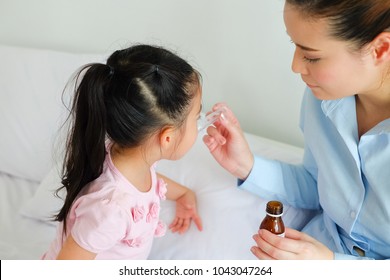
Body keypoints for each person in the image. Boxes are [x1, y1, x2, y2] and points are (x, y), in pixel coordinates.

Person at [203, 0, 390, 260]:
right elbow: (318, 184)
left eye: (311, 56)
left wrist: (330, 265)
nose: (296, 66)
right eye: (295, 46)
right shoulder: (323, 98)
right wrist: (247, 166)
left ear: (380, 49)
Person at [42, 44, 203, 260]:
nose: (199, 124)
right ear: (167, 138)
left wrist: (183, 194)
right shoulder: (111, 210)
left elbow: (150, 181)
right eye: (196, 117)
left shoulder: (132, 160)